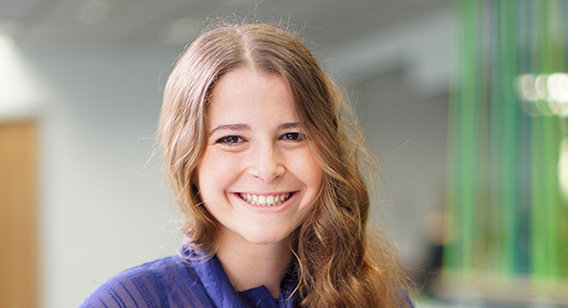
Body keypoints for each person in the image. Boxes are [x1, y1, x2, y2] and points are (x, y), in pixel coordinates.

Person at [80, 22, 413, 308]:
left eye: (293, 135)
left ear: (327, 149)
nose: (267, 168)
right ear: (188, 158)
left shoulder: (381, 300)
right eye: (232, 139)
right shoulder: (127, 302)